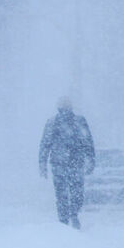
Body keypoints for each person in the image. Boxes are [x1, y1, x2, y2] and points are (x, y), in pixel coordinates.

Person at [39, 97, 95, 229]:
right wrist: (91, 159)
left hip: (64, 163)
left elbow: (45, 144)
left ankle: (68, 217)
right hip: (69, 163)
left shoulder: (72, 121)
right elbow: (88, 142)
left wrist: (42, 163)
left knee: (66, 193)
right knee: (71, 191)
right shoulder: (61, 122)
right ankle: (68, 217)